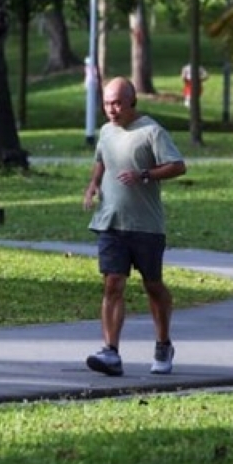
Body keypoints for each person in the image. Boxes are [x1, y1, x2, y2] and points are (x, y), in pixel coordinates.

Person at [82, 77, 187, 376]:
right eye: (106, 103)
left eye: (116, 103)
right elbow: (102, 160)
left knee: (153, 286)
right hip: (111, 221)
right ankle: (110, 352)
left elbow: (178, 165)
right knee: (112, 283)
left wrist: (145, 174)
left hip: (146, 226)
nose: (111, 110)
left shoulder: (151, 131)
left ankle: (163, 343)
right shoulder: (105, 131)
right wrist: (92, 185)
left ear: (131, 102)